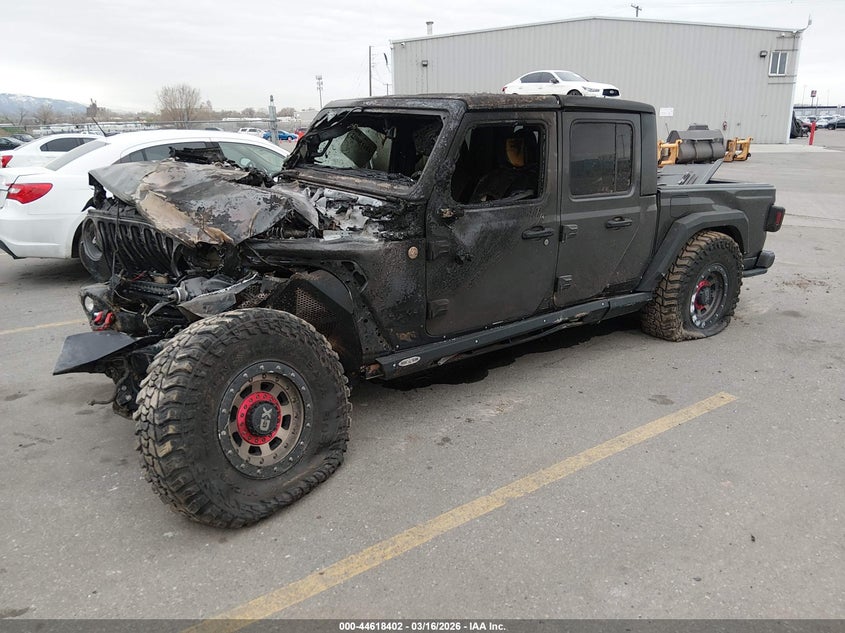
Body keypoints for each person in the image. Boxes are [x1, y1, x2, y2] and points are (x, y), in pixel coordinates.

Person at [470, 129, 540, 203]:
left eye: (515, 147)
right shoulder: (495, 176)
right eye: (510, 147)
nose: (509, 151)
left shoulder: (535, 178)